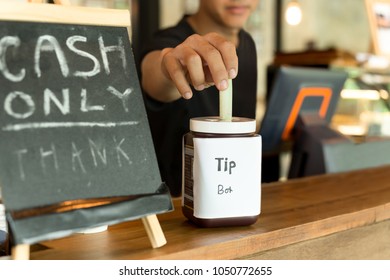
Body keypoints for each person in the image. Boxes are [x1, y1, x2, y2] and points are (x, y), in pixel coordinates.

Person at [139, 0, 260, 197]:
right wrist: (168, 69)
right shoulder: (167, 41)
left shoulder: (248, 44)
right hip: (174, 204)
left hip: (233, 196)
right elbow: (155, 77)